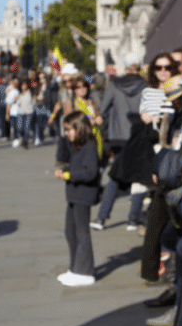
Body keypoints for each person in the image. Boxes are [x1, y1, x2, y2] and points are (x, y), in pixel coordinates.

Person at [92, 54, 149, 230]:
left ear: (124, 68)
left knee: (115, 176)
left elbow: (103, 109)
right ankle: (133, 219)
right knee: (139, 177)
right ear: (138, 67)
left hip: (118, 137)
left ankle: (101, 218)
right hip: (139, 135)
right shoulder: (146, 86)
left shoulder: (115, 84)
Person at [54, 111, 102, 287]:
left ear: (79, 128)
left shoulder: (89, 146)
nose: (67, 133)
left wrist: (68, 175)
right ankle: (75, 268)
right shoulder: (76, 145)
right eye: (65, 130)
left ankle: (85, 271)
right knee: (70, 232)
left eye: (69, 130)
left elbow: (91, 173)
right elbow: (62, 154)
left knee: (82, 233)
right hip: (74, 195)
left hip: (83, 194)